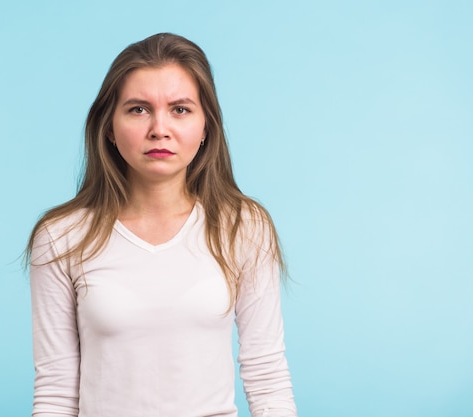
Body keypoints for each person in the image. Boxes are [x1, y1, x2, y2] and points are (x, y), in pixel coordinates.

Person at [26, 33, 297, 417]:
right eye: (138, 109)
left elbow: (267, 378)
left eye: (180, 109)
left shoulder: (244, 227)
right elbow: (56, 392)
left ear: (206, 127)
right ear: (108, 126)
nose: (159, 129)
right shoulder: (62, 236)